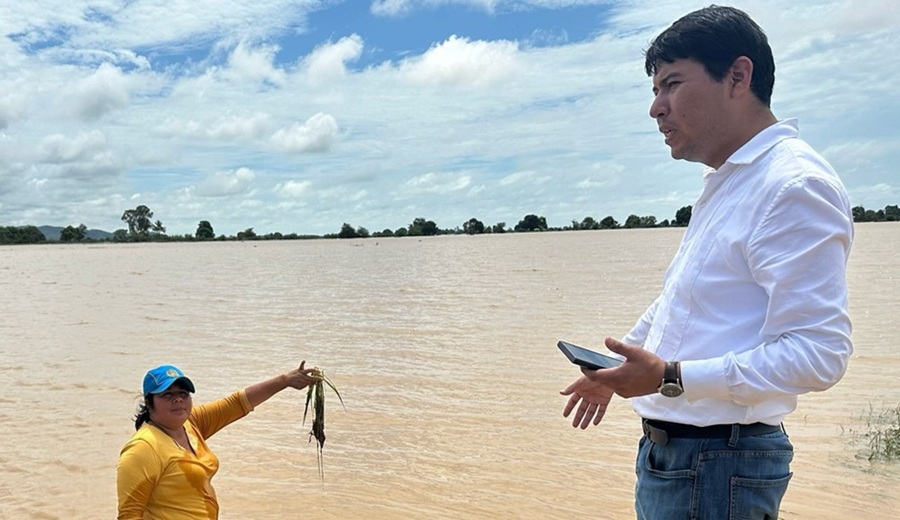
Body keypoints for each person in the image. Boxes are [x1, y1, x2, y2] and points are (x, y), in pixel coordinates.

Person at [560, 5, 853, 520]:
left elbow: (819, 353)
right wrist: (623, 367)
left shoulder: (792, 185)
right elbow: (682, 300)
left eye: (671, 84)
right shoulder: (729, 181)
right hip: (685, 459)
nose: (656, 108)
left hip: (718, 462)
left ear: (738, 76)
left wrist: (671, 377)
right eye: (654, 91)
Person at [117, 362, 321, 519]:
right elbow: (129, 514)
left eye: (183, 393)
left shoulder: (190, 423)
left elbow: (237, 403)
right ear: (149, 402)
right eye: (167, 395)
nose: (178, 399)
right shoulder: (143, 448)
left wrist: (285, 380)